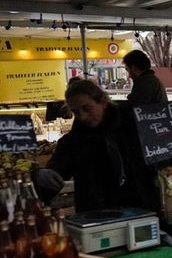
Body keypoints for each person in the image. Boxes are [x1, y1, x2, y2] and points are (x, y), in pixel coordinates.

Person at [35, 80, 160, 213]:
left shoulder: (134, 124)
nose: (82, 116)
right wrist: (41, 177)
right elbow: (56, 173)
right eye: (76, 112)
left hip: (142, 210)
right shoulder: (73, 141)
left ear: (103, 102)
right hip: (96, 218)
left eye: (87, 108)